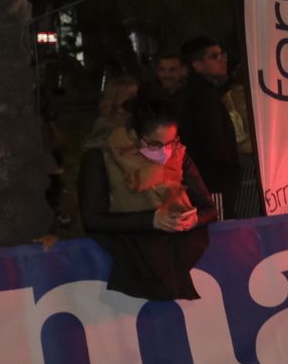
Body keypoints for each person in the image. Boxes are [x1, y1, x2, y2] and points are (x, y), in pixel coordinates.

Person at [79, 98, 218, 300]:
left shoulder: (179, 155)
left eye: (172, 142)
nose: (165, 152)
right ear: (135, 135)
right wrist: (151, 220)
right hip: (129, 259)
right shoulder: (102, 159)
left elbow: (209, 209)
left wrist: (194, 219)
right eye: (155, 144)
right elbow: (92, 218)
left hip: (174, 256)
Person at [174, 37, 241, 218]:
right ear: (197, 65)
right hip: (211, 181)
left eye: (222, 54)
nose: (222, 60)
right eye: (214, 56)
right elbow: (213, 142)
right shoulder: (201, 98)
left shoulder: (208, 94)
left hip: (210, 178)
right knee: (217, 228)